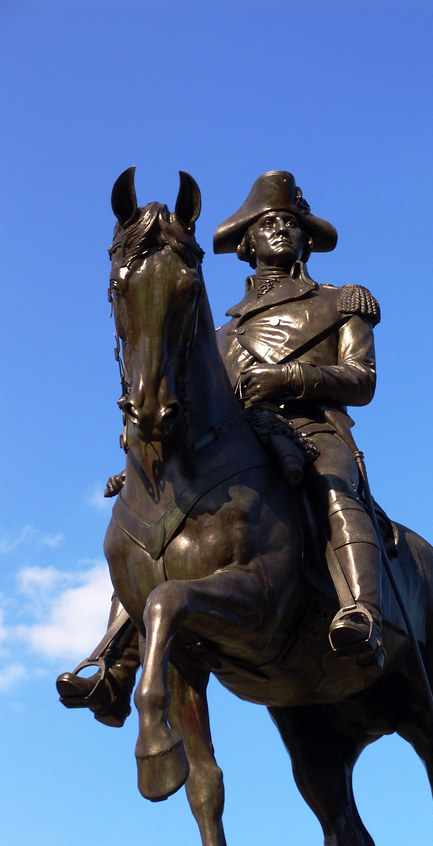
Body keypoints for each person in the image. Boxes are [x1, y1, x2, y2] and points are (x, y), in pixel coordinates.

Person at [57, 171, 383, 725]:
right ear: (246, 244)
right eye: (267, 223)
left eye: (291, 223)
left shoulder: (339, 301)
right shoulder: (219, 333)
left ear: (306, 239)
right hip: (238, 441)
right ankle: (117, 661)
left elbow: (362, 379)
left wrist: (291, 380)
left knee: (335, 489)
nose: (280, 229)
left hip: (314, 429)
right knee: (148, 518)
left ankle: (362, 610)